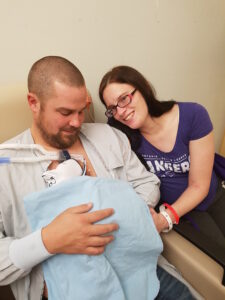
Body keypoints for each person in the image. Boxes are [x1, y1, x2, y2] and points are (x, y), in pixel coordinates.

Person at [0, 56, 195, 300]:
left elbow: (147, 182)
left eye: (82, 110)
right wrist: (48, 240)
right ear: (33, 103)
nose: (77, 122)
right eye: (65, 112)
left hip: (139, 270)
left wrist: (130, 213)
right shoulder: (6, 165)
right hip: (70, 289)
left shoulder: (109, 137)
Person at [99, 65, 225, 246]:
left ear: (144, 88)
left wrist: (165, 218)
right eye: (112, 108)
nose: (121, 112)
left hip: (213, 196)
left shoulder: (194, 115)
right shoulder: (121, 135)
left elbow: (199, 185)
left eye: (124, 99)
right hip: (185, 213)